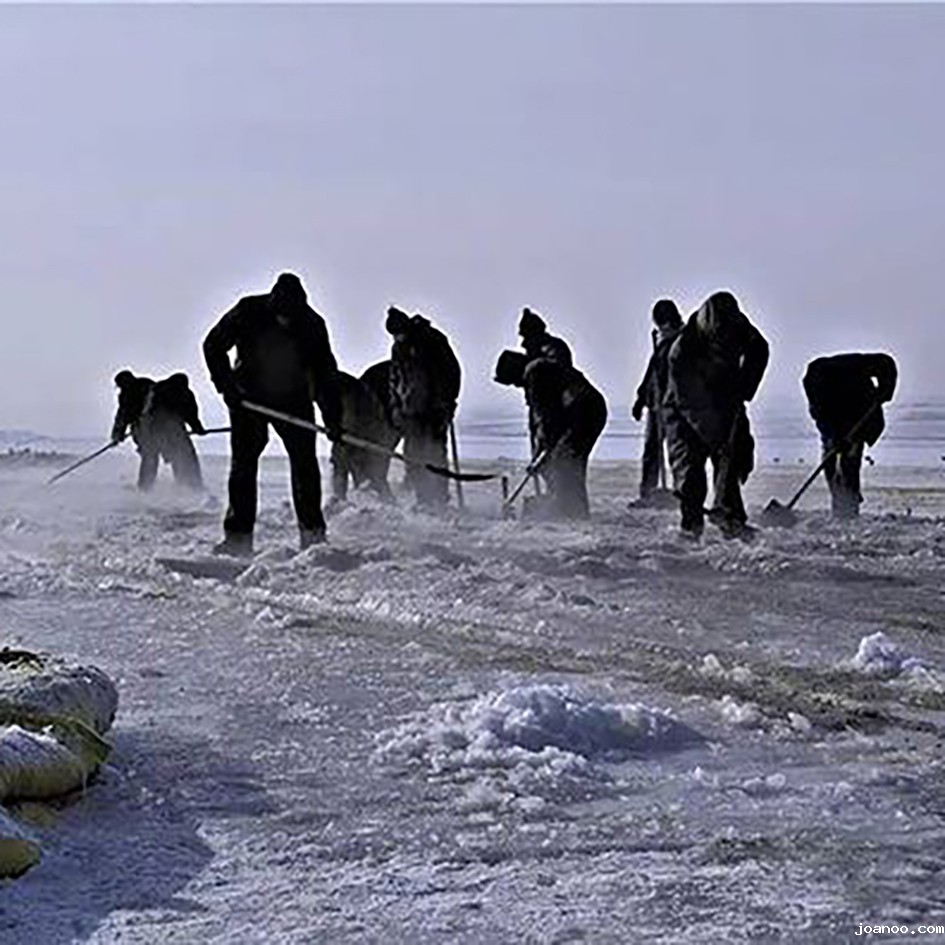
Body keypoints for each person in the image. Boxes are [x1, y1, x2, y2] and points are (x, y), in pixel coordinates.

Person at [203, 272, 342, 556]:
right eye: (282, 317)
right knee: (243, 465)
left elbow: (325, 374)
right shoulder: (248, 311)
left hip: (294, 398)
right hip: (248, 398)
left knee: (305, 464)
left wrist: (333, 418)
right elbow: (213, 345)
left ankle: (313, 535)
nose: (286, 322)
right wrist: (227, 387)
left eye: (291, 318)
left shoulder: (313, 324)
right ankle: (238, 537)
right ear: (273, 305)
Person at [663, 291, 769, 540]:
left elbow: (759, 349)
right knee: (689, 468)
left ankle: (731, 518)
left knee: (733, 455)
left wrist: (746, 385)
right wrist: (717, 437)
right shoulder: (682, 351)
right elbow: (691, 404)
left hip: (726, 395)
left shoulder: (738, 325)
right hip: (683, 407)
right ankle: (691, 525)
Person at [494, 350, 608, 520]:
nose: (517, 386)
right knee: (567, 462)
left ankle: (571, 512)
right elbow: (549, 420)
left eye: (513, 382)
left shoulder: (534, 373)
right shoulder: (541, 367)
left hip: (582, 413)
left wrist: (540, 454)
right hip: (588, 411)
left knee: (564, 462)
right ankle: (571, 508)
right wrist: (541, 453)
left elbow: (546, 418)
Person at [802, 352, 898, 519]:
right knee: (830, 463)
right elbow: (820, 416)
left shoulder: (855, 366)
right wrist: (833, 437)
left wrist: (885, 391)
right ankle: (839, 504)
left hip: (860, 415)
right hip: (835, 418)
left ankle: (849, 507)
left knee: (849, 464)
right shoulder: (817, 393)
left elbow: (886, 363)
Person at [386, 307, 461, 509]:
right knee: (413, 455)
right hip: (410, 412)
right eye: (394, 336)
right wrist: (396, 406)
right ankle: (423, 499)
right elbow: (394, 378)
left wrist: (448, 401)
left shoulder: (433, 340)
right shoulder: (398, 347)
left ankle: (440, 498)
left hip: (434, 410)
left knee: (435, 453)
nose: (397, 338)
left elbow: (451, 371)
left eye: (399, 333)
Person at [111, 370, 205, 491]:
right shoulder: (155, 387)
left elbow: (123, 415)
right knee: (181, 455)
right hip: (171, 430)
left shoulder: (147, 390)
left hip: (149, 430)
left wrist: (118, 434)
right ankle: (191, 486)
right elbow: (190, 414)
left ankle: (145, 488)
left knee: (150, 458)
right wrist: (197, 428)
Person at [630, 300, 684, 506]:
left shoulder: (682, 342)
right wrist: (640, 398)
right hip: (655, 405)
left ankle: (681, 493)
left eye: (665, 323)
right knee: (651, 450)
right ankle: (648, 492)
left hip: (673, 406)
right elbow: (652, 374)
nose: (662, 328)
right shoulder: (661, 344)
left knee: (676, 451)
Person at [328, 360, 399, 508]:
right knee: (341, 462)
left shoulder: (352, 392)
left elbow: (353, 420)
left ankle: (384, 507)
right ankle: (340, 501)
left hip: (379, 424)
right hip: (357, 423)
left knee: (370, 471)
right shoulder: (337, 387)